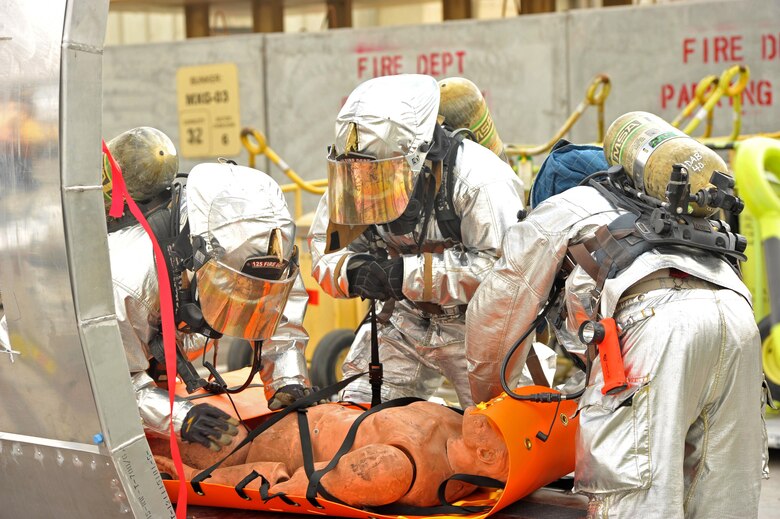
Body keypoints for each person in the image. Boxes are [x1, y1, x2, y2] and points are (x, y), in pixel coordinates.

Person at [465, 138, 766, 517]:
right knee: (722, 496)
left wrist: (490, 406)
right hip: (738, 325)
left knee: (635, 494)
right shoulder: (667, 209)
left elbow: (496, 315)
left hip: (655, 328)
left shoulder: (562, 207)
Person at [308, 74, 525, 407]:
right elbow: (325, 246)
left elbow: (505, 272)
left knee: (502, 433)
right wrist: (352, 271)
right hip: (402, 321)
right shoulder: (356, 176)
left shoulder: (480, 178)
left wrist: (402, 275)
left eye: (378, 176)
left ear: (416, 157)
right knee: (358, 414)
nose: (367, 187)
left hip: (480, 327)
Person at [103, 127, 316, 451]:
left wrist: (288, 378)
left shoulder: (260, 242)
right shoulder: (128, 276)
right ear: (197, 264)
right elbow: (110, 383)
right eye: (234, 292)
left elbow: (278, 305)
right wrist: (178, 417)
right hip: (109, 355)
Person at [153, 400, 509, 508]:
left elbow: (292, 487)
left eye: (497, 424)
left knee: (147, 438)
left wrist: (191, 478)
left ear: (488, 457)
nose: (490, 411)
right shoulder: (457, 421)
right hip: (271, 421)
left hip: (246, 453)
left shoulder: (397, 469)